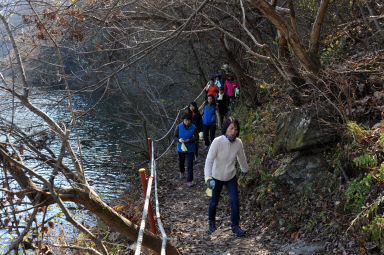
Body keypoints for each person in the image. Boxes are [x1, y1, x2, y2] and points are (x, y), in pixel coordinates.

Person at [204, 117, 248, 237]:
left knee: (234, 201)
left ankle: (235, 226)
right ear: (226, 129)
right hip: (216, 177)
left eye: (236, 129)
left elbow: (241, 158)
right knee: (214, 201)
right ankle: (211, 222)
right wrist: (208, 177)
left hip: (230, 176)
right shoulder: (217, 142)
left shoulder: (238, 143)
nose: (234, 131)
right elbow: (209, 161)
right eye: (231, 128)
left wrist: (245, 170)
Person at [174, 113, 199, 187]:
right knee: (181, 161)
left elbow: (197, 137)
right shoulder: (179, 127)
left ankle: (189, 180)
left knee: (190, 164)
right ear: (183, 120)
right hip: (181, 148)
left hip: (190, 148)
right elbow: (175, 136)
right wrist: (179, 140)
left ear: (190, 121)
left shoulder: (193, 127)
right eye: (185, 120)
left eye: (188, 121)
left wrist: (190, 140)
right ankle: (182, 171)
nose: (187, 122)